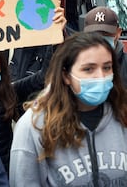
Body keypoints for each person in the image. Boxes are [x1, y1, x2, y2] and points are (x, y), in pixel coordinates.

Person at [9, 32, 127, 186]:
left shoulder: (122, 114)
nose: (100, 76)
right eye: (88, 69)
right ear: (66, 75)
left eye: (107, 67)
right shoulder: (34, 125)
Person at [83, 6, 127, 84]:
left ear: (118, 33)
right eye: (94, 34)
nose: (100, 39)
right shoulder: (78, 64)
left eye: (106, 34)